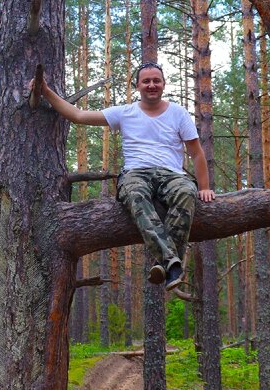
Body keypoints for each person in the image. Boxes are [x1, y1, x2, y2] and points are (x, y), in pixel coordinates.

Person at [35, 62, 214, 293]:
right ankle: (171, 264)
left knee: (186, 191)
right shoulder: (125, 113)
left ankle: (165, 264)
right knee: (135, 193)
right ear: (137, 85)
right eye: (146, 81)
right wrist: (46, 92)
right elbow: (78, 115)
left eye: (156, 80)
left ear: (163, 84)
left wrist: (205, 187)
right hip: (136, 173)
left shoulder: (178, 113)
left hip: (172, 175)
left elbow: (196, 153)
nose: (152, 85)